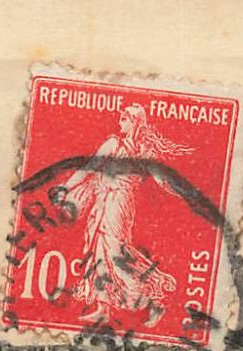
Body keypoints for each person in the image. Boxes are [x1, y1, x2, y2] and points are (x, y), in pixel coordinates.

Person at [58, 102, 191, 328]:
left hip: (120, 206)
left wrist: (187, 195)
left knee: (115, 254)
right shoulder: (113, 143)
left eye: (127, 117)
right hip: (103, 203)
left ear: (137, 122)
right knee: (100, 252)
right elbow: (90, 167)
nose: (122, 120)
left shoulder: (143, 152)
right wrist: (65, 188)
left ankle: (153, 302)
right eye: (122, 116)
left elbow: (162, 179)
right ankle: (103, 308)